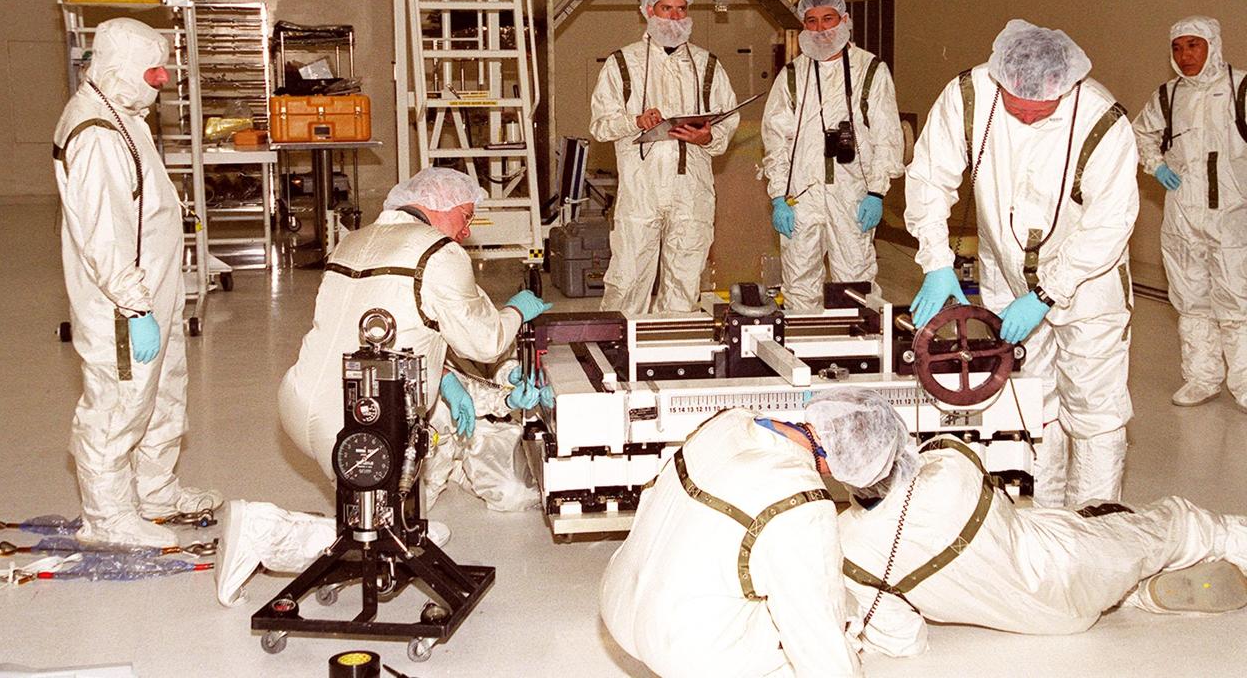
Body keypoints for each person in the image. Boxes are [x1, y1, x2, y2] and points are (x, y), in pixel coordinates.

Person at [215, 168, 551, 605]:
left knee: (411, 518)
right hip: (367, 418)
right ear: (441, 206)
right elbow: (486, 342)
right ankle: (263, 530)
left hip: (302, 402)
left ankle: (386, 513)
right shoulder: (440, 253)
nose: (466, 231)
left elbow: (395, 324)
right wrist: (516, 312)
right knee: (382, 534)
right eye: (466, 216)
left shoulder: (353, 240)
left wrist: (447, 379)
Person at [904, 19, 1139, 509]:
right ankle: (1045, 520)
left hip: (1087, 279)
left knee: (1094, 409)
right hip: (1007, 276)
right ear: (1000, 81)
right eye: (1018, 109)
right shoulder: (969, 97)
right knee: (1032, 397)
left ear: (1067, 88)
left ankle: (1096, 528)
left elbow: (1109, 222)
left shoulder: (1101, 119)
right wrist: (936, 260)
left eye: (1041, 111)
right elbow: (929, 177)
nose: (1028, 118)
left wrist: (1050, 291)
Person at [821, 390, 1247, 658]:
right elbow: (941, 447)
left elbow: (905, 642)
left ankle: (1140, 595)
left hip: (1046, 623)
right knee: (1173, 520)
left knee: (1077, 528)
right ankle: (1223, 545)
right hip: (1072, 560)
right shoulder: (949, 467)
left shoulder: (849, 548)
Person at [52, 18, 221, 548]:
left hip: (153, 290)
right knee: (118, 403)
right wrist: (133, 304)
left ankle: (154, 491)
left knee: (162, 394)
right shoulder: (97, 134)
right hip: (122, 302)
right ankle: (107, 516)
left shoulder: (125, 114)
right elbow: (104, 237)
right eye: (152, 70)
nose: (161, 79)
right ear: (121, 68)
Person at [599, 407, 863, 677]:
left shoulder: (730, 420)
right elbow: (818, 638)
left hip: (620, 601)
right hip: (682, 652)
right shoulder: (805, 502)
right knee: (837, 617)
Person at [590, 0, 740, 315]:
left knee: (685, 279)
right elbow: (599, 125)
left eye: (681, 9)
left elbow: (728, 120)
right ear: (648, 10)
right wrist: (635, 121)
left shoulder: (707, 66)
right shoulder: (622, 64)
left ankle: (674, 352)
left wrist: (709, 137)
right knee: (628, 278)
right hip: (640, 191)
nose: (673, 17)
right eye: (665, 8)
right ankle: (618, 350)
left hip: (692, 191)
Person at [761, 0, 904, 309]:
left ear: (844, 20)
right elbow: (775, 140)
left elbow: (887, 137)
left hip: (853, 196)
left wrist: (877, 192)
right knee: (798, 284)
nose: (821, 28)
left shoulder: (871, 70)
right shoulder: (793, 75)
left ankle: (855, 355)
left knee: (855, 285)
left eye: (828, 19)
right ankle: (801, 352)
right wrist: (778, 195)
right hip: (801, 197)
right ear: (802, 27)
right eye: (811, 21)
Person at [1132, 16, 1247, 410]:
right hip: (1182, 217)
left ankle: (1245, 384)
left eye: (1194, 45)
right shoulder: (1168, 96)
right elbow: (1139, 133)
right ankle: (1201, 377)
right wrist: (1155, 165)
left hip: (1233, 217)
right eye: (1178, 47)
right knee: (1191, 298)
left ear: (1212, 45)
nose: (1185, 55)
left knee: (1237, 301)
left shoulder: (1241, 88)